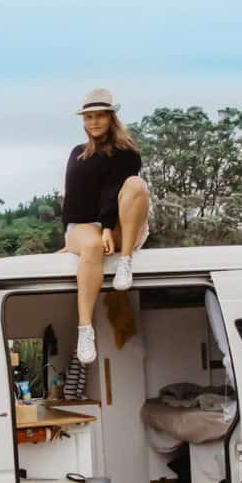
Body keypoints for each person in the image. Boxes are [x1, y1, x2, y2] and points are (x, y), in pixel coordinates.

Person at [61, 88, 150, 365]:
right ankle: (85, 330)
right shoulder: (78, 154)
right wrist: (75, 237)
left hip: (122, 225)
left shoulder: (128, 153)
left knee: (136, 185)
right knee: (92, 244)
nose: (94, 122)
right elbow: (74, 201)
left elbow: (115, 191)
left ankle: (125, 261)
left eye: (100, 116)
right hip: (86, 225)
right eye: (88, 117)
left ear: (111, 118)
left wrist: (110, 226)